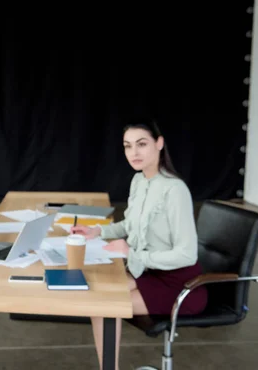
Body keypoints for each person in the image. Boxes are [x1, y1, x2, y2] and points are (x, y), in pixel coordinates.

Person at [71, 120, 208, 370]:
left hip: (181, 284)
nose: (134, 153)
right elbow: (129, 224)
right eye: (128, 146)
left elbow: (187, 255)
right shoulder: (139, 181)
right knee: (98, 295)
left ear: (159, 143)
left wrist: (131, 253)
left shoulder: (174, 190)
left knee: (104, 305)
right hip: (147, 272)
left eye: (142, 144)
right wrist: (97, 231)